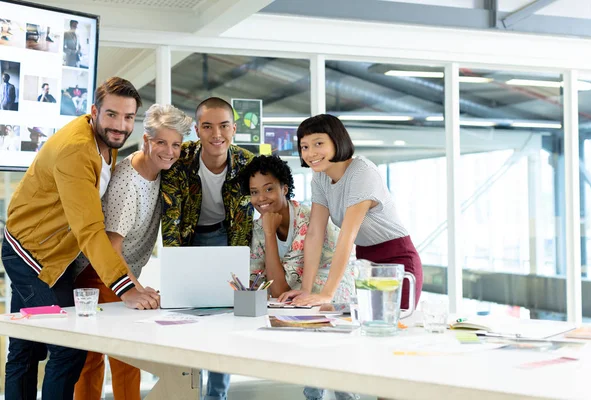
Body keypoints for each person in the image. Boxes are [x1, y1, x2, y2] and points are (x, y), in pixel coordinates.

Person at [1, 77, 160, 400]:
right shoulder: (76, 150)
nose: (120, 125)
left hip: (55, 253)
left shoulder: (106, 143)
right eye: (112, 115)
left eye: (128, 117)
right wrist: (126, 288)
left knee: (26, 345)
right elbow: (90, 228)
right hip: (31, 254)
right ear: (94, 112)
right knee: (68, 345)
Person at [74, 104, 192, 400]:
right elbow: (112, 246)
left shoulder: (162, 172)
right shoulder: (129, 178)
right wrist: (136, 290)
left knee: (126, 358)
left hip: (120, 272)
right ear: (146, 140)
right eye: (162, 142)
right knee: (101, 359)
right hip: (99, 272)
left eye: (176, 144)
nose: (169, 151)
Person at [278, 114, 423, 311]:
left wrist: (327, 294)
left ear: (337, 141)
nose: (311, 153)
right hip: (365, 261)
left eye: (318, 143)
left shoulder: (362, 171)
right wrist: (306, 288)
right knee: (369, 326)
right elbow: (314, 233)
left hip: (396, 259)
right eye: (305, 147)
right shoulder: (320, 178)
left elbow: (347, 235)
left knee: (396, 327)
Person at [161, 97, 254, 400]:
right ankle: (186, 391)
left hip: (229, 238)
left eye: (224, 126)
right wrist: (173, 267)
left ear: (234, 128)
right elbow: (171, 220)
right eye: (208, 126)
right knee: (185, 316)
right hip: (189, 237)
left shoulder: (246, 163)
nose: (217, 134)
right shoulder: (181, 161)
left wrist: (248, 268)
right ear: (197, 130)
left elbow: (255, 215)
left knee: (224, 319)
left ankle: (216, 395)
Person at [240, 155, 355, 301]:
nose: (261, 198)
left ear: (285, 189)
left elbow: (279, 289)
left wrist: (269, 234)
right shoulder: (259, 226)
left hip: (329, 294)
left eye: (269, 189)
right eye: (254, 192)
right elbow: (256, 279)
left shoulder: (305, 221)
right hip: (295, 299)